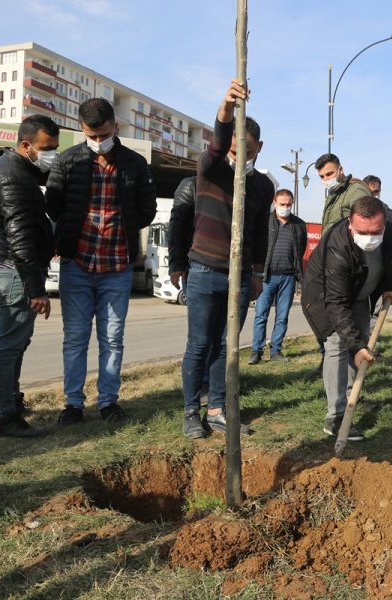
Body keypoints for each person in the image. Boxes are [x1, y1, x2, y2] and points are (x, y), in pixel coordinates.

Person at [168, 79, 274, 439]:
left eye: (244, 150)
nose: (237, 156)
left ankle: (217, 409)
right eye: (232, 149)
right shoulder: (210, 170)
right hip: (204, 269)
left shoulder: (263, 186)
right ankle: (189, 412)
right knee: (199, 344)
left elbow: (261, 233)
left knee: (226, 347)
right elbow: (217, 141)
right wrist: (226, 107)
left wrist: (257, 272)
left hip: (240, 276)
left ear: (258, 148)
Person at [46, 98, 157, 427]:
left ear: (115, 127)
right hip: (76, 265)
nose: (97, 141)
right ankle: (73, 404)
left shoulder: (135, 164)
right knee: (75, 337)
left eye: (103, 134)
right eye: (91, 135)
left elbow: (148, 209)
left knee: (112, 338)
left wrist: (122, 223)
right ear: (81, 129)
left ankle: (108, 402)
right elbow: (54, 204)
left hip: (117, 267)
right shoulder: (67, 162)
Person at [0, 115, 59, 437]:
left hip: (12, 270)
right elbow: (20, 240)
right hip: (15, 271)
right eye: (47, 148)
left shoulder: (13, 168)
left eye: (55, 147)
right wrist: (36, 289)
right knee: (8, 345)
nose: (52, 154)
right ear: (26, 145)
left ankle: (11, 403)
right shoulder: (12, 177)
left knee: (14, 344)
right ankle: (5, 419)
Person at [302, 196, 392, 441]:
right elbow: (336, 303)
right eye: (361, 231)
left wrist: (390, 284)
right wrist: (354, 346)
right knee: (339, 344)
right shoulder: (338, 246)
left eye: (375, 231)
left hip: (360, 292)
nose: (369, 237)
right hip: (327, 294)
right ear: (350, 223)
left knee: (361, 341)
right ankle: (335, 415)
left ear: (385, 224)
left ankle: (351, 399)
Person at [248, 189, 307, 364]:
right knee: (261, 314)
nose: (285, 207)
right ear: (275, 203)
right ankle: (256, 351)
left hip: (288, 277)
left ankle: (276, 351)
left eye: (289, 204)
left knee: (282, 316)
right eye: (282, 204)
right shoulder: (265, 222)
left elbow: (301, 249)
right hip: (266, 276)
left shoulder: (299, 225)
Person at [316, 154, 373, 233]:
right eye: (322, 176)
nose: (326, 179)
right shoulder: (332, 196)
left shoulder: (356, 190)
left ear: (341, 170)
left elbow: (366, 226)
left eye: (329, 174)